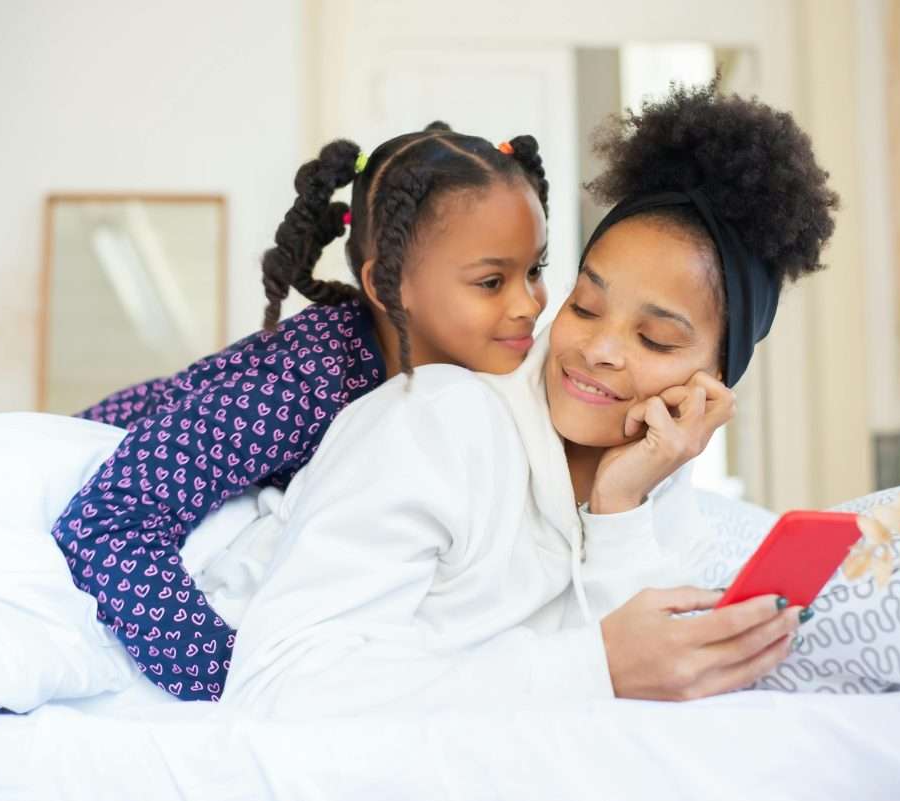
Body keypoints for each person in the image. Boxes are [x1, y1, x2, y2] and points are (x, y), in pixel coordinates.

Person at [221, 83, 840, 716]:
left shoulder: (660, 499)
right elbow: (276, 685)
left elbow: (643, 709)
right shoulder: (437, 422)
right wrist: (594, 667)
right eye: (585, 306)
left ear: (716, 379)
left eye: (655, 340)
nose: (599, 349)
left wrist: (618, 508)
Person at [51, 123, 552, 700]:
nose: (529, 304)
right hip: (100, 445)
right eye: (491, 281)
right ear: (390, 284)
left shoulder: (484, 376)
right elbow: (107, 522)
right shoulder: (303, 381)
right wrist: (229, 682)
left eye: (535, 270)